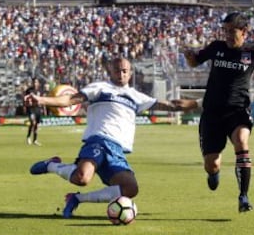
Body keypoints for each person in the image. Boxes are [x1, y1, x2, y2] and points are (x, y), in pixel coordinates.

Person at [25, 58, 178, 218]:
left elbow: (173, 105)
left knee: (130, 189)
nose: (121, 74)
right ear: (110, 71)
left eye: (125, 71)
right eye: (117, 70)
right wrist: (42, 100)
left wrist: (201, 102)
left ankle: (76, 199)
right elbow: (69, 100)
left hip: (117, 150)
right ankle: (51, 165)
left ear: (130, 73)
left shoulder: (137, 97)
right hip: (98, 140)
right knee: (82, 178)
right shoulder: (100, 88)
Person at [178, 12, 254, 213]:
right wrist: (189, 57)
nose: (226, 35)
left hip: (238, 111)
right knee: (212, 164)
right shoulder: (216, 47)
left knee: (242, 142)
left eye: (231, 31)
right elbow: (194, 62)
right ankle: (213, 173)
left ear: (244, 32)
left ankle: (243, 196)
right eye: (224, 31)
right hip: (212, 113)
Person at [24, 78, 44, 146]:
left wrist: (42, 108)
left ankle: (35, 140)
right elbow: (25, 99)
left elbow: (42, 99)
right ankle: (28, 137)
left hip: (37, 109)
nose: (35, 83)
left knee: (36, 125)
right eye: (34, 82)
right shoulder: (29, 90)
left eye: (36, 82)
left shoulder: (40, 90)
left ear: (38, 83)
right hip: (31, 109)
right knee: (33, 122)